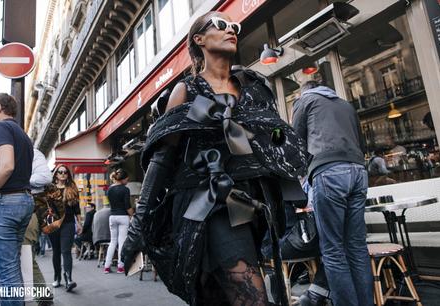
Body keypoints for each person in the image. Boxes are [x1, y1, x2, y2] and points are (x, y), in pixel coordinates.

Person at [121, 11, 307, 306]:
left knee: (220, 298)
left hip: (252, 205)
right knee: (253, 297)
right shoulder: (187, 91)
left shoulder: (254, 88)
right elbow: (163, 160)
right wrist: (138, 226)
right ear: (199, 39)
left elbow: (275, 138)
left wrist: (278, 146)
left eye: (233, 26)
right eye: (220, 25)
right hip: (207, 205)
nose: (231, 30)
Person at [292, 81, 373, 306]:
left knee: (333, 251)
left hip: (328, 172)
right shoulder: (346, 105)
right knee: (356, 247)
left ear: (304, 90)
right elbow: (361, 143)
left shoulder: (304, 100)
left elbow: (295, 143)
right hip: (358, 172)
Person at [0, 93, 34, 306]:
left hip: (4, 204)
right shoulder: (22, 134)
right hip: (22, 201)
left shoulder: (1, 128)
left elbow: (6, 166)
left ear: (0, 107)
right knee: (11, 271)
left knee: (5, 276)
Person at [22, 148, 53, 306]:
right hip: (20, 212)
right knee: (25, 258)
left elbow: (45, 177)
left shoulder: (31, 152)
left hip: (29, 210)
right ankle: (42, 296)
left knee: (26, 256)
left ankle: (43, 296)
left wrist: (18, 180)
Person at [47, 164, 82, 292]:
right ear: (55, 174)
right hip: (54, 224)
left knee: (66, 251)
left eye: (65, 172)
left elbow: (76, 208)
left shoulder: (72, 188)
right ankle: (57, 277)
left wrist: (79, 223)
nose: (63, 174)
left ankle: (68, 279)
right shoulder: (49, 189)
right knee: (56, 252)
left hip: (68, 224)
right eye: (60, 172)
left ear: (68, 174)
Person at [103, 169, 133, 273]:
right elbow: (127, 206)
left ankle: (107, 266)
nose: (128, 182)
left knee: (113, 242)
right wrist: (132, 215)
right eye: (127, 180)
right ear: (123, 179)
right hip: (123, 217)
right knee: (122, 242)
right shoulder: (125, 189)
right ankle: (120, 266)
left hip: (112, 217)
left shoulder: (109, 189)